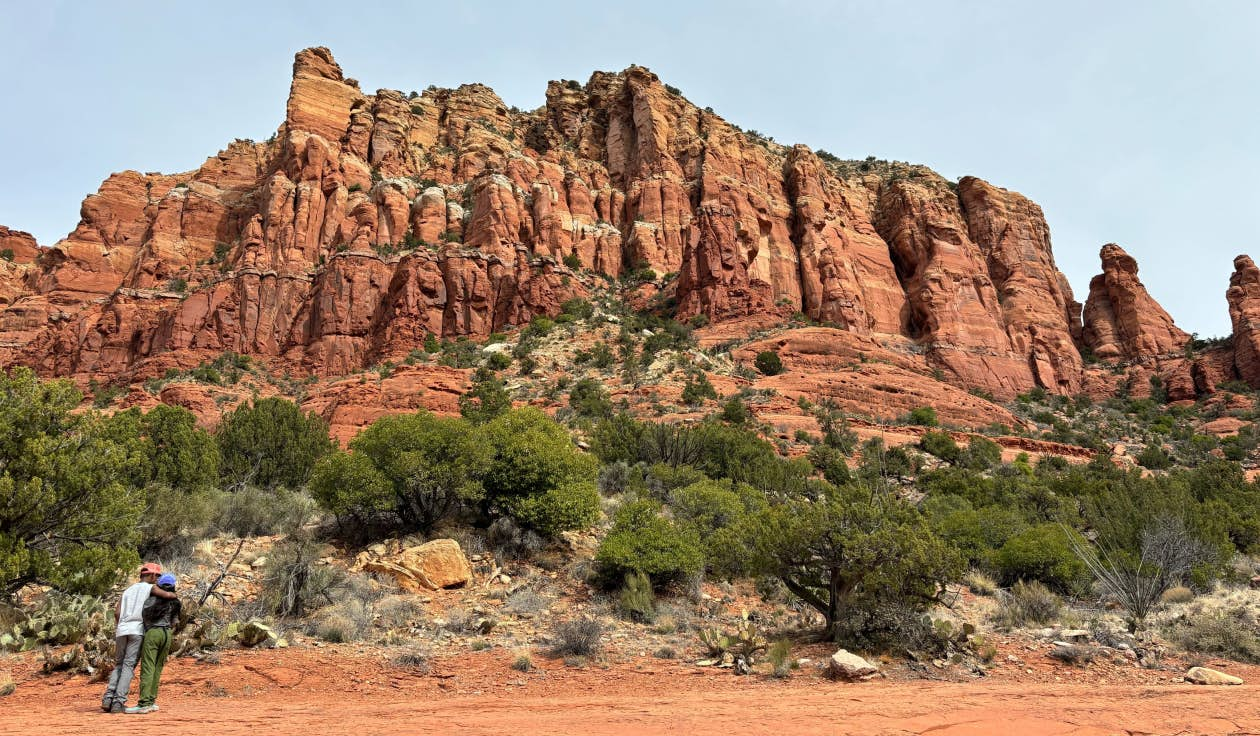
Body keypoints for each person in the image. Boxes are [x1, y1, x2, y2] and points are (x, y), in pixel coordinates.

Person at [100, 563, 178, 714]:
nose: (157, 579)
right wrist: (175, 596)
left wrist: (120, 626)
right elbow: (168, 596)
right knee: (129, 665)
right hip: (137, 630)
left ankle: (108, 698)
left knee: (119, 665)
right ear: (151, 575)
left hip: (122, 630)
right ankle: (118, 702)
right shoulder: (150, 588)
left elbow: (117, 613)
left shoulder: (127, 590)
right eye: (156, 576)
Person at [128, 573, 182, 714]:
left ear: (159, 585)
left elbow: (144, 617)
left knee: (148, 667)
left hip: (153, 632)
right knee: (158, 667)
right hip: (167, 634)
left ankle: (144, 703)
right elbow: (175, 622)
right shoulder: (176, 602)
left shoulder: (151, 599)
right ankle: (151, 701)